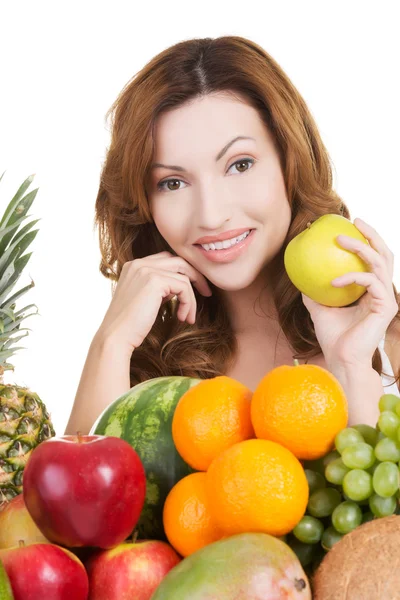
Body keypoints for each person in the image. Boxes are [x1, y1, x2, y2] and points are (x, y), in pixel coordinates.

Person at [65, 35, 400, 436]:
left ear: (290, 160)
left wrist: (351, 368)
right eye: (172, 183)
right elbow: (71, 493)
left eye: (240, 165)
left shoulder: (387, 338)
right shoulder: (146, 369)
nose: (212, 215)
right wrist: (110, 342)